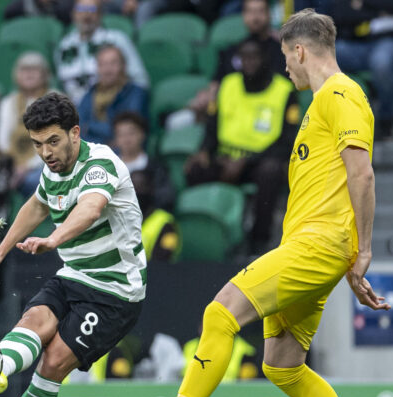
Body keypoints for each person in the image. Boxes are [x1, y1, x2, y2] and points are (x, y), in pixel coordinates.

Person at [115, 9, 386, 397]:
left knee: (220, 313)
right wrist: (351, 254)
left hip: (318, 246)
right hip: (315, 246)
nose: (283, 66)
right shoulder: (322, 103)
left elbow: (362, 173)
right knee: (283, 367)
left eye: (284, 56)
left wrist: (363, 249)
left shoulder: (340, 94)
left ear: (299, 51)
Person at [0, 92, 146, 397]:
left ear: (75, 133)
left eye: (53, 141)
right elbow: (37, 205)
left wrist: (54, 239)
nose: (46, 152)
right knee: (33, 320)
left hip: (114, 291)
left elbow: (89, 209)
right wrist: (0, 251)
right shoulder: (53, 168)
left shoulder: (101, 165)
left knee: (53, 361)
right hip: (73, 276)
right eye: (37, 144)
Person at [185, 37, 300, 252]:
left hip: (260, 162)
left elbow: (286, 140)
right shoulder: (228, 85)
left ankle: (258, 240)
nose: (249, 62)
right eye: (244, 57)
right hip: (225, 159)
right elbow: (212, 124)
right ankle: (205, 240)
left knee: (271, 172)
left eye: (254, 57)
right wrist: (203, 150)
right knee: (194, 168)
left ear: (264, 58)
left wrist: (245, 161)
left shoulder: (284, 91)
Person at [333, 0, 393, 139]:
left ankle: (386, 119)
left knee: (381, 62)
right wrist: (378, 11)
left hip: (391, 43)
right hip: (359, 46)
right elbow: (340, 15)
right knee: (333, 52)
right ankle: (347, 117)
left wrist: (364, 4)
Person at [110, 111, 177, 261]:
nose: (127, 139)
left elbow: (167, 198)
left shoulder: (156, 168)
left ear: (142, 135)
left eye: (131, 133)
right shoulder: (109, 171)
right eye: (121, 135)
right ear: (115, 139)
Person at [55, 0, 148, 104]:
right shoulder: (64, 45)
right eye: (81, 10)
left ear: (100, 14)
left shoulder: (117, 39)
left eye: (92, 10)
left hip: (113, 103)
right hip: (74, 109)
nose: (86, 15)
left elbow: (139, 79)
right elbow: (60, 83)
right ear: (73, 15)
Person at [0, 52, 54, 197]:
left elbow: (54, 142)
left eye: (34, 70)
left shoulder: (55, 100)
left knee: (32, 181)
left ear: (45, 74)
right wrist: (13, 165)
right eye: (24, 70)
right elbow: (1, 140)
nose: (29, 74)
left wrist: (27, 167)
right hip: (13, 162)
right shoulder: (8, 102)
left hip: (45, 163)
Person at [78, 44, 149, 145]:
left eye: (113, 63)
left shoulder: (136, 94)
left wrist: (89, 127)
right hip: (92, 154)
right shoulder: (89, 95)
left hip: (122, 155)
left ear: (124, 66)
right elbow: (78, 128)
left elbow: (126, 132)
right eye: (103, 64)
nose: (108, 70)